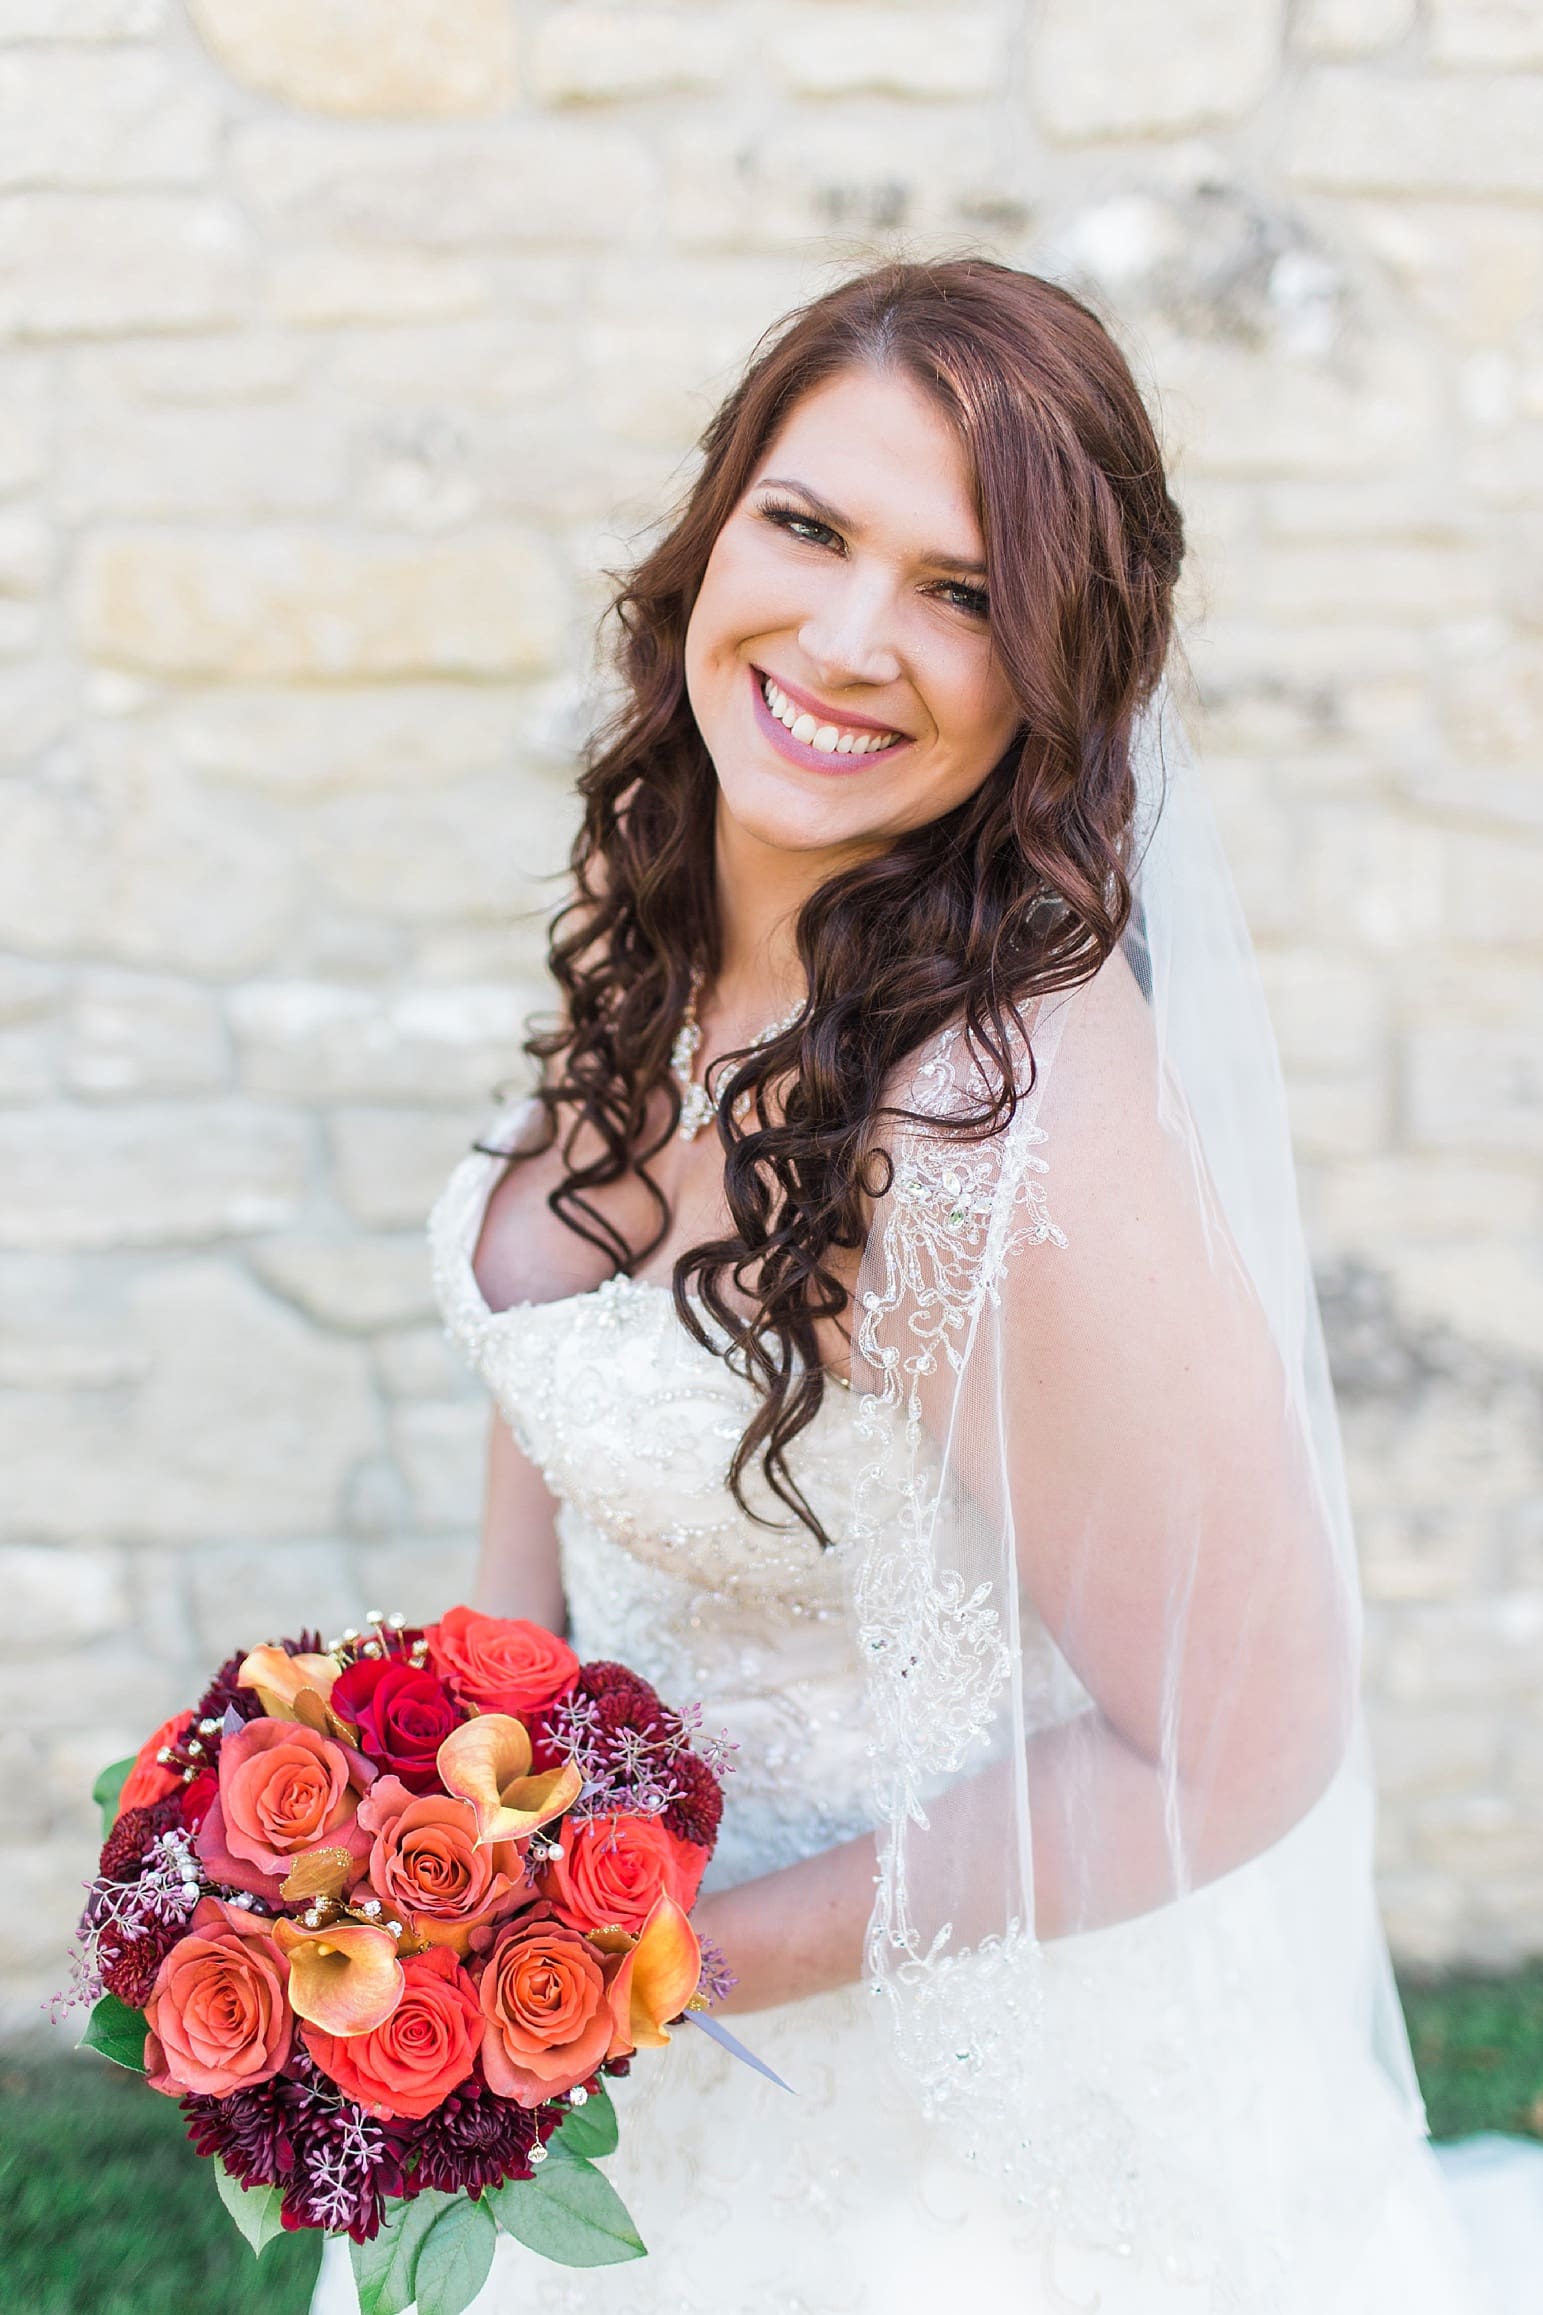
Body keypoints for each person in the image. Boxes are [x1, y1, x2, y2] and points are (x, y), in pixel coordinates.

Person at [313, 259, 1492, 2312]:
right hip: (627, 2020)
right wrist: (422, 1837)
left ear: (1056, 672)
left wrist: (630, 1974)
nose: (850, 639)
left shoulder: (988, 1131)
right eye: (810, 526)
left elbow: (1244, 1736)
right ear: (714, 522)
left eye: (962, 594)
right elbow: (558, 1447)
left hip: (948, 2135)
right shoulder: (673, 916)